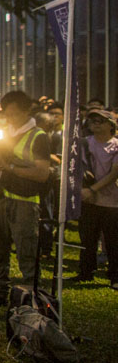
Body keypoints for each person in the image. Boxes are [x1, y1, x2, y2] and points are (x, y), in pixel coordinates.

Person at [0, 91, 51, 307]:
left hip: (25, 200)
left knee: (27, 251)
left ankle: (31, 296)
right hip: (1, 197)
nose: (10, 119)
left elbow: (42, 173)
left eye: (13, 114)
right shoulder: (4, 133)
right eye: (7, 114)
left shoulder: (38, 136)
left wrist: (9, 167)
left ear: (26, 110)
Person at [76, 108, 118, 288]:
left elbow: (114, 174)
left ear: (111, 125)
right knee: (87, 238)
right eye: (92, 120)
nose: (95, 123)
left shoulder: (116, 145)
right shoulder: (84, 143)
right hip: (88, 201)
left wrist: (92, 189)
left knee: (113, 240)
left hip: (112, 202)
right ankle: (86, 272)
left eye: (100, 120)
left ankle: (115, 276)